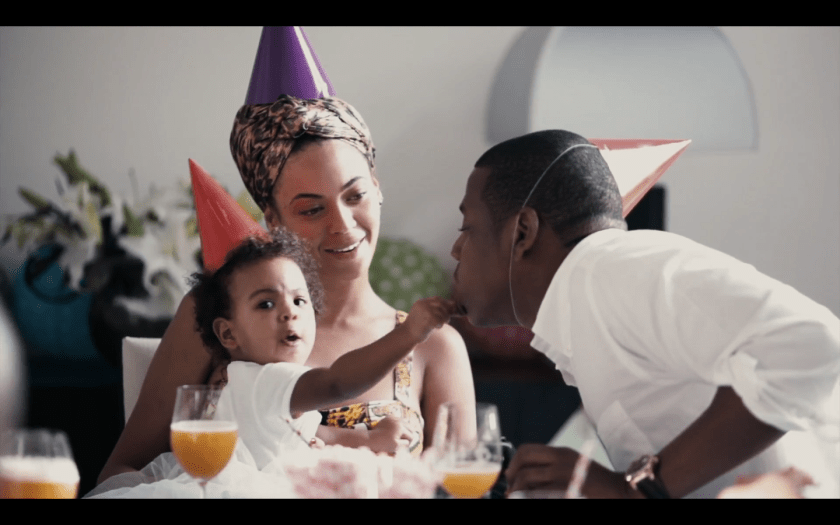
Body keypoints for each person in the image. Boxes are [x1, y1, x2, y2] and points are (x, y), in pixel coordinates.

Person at [97, 95, 476, 485]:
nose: (343, 224)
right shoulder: (217, 314)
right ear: (274, 220)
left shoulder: (436, 346)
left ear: (377, 189)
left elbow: (462, 490)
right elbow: (120, 473)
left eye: (355, 195)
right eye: (312, 209)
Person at [449, 129, 840, 498]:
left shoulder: (614, 269)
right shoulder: (590, 295)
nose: (455, 249)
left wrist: (640, 486)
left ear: (522, 232)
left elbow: (811, 342)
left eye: (467, 227)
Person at [191, 229, 455, 468]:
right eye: (266, 304)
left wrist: (372, 439)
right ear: (228, 333)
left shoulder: (259, 388)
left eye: (299, 300)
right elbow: (337, 383)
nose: (290, 312)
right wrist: (409, 333)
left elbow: (322, 433)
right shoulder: (264, 380)